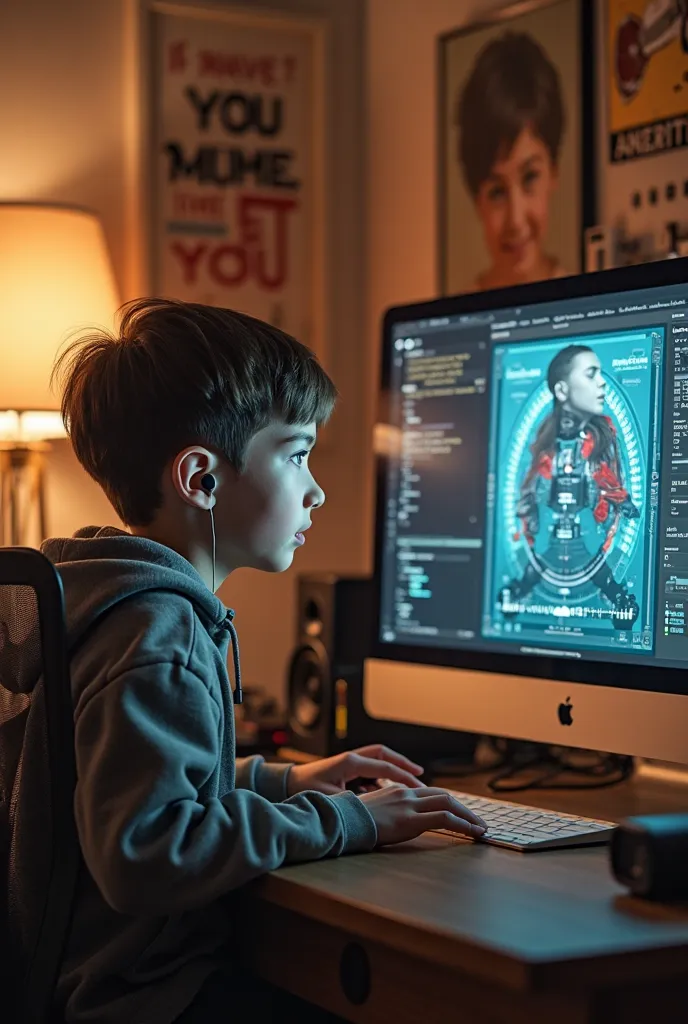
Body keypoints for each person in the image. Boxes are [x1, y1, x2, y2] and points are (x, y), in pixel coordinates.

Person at [41, 298, 487, 1024]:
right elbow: (146, 852)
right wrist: (348, 818)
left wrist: (287, 779)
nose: (317, 489)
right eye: (297, 453)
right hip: (146, 1000)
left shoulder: (108, 602)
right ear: (201, 479)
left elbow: (130, 780)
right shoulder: (160, 634)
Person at [497, 345, 641, 629]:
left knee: (597, 569)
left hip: (585, 531)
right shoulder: (546, 441)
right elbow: (532, 482)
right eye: (590, 375)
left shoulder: (600, 437)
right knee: (537, 568)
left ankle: (619, 603)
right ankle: (517, 594)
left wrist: (621, 502)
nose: (601, 383)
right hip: (553, 531)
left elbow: (607, 479)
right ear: (562, 390)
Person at [455, 31, 567, 292]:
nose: (516, 220)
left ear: (554, 172)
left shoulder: (595, 308)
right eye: (497, 192)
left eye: (529, 178)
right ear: (477, 201)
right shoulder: (452, 325)